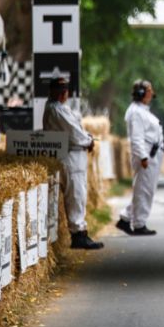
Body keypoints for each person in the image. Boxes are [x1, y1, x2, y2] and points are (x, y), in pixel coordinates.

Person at [42, 77, 103, 250]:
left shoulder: (60, 108)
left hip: (75, 156)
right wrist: (88, 141)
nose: (63, 94)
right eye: (60, 91)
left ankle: (81, 232)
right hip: (70, 156)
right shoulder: (55, 109)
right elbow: (74, 132)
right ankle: (78, 234)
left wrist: (86, 138)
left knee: (79, 194)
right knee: (75, 195)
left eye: (64, 90)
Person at [116, 80, 164, 236]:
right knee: (144, 190)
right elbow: (136, 138)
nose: (151, 93)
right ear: (141, 93)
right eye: (149, 90)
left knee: (143, 190)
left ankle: (126, 218)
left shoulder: (141, 110)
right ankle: (139, 224)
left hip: (152, 154)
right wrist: (143, 157)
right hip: (146, 155)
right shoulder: (136, 112)